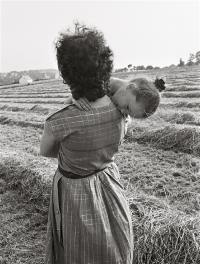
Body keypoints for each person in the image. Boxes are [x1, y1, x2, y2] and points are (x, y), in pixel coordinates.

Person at [39, 24, 160, 264]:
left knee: (78, 247)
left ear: (66, 72)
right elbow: (118, 89)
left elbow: (46, 152)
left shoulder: (60, 120)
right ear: (106, 65)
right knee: (113, 243)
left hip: (75, 190)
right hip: (108, 182)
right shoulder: (119, 111)